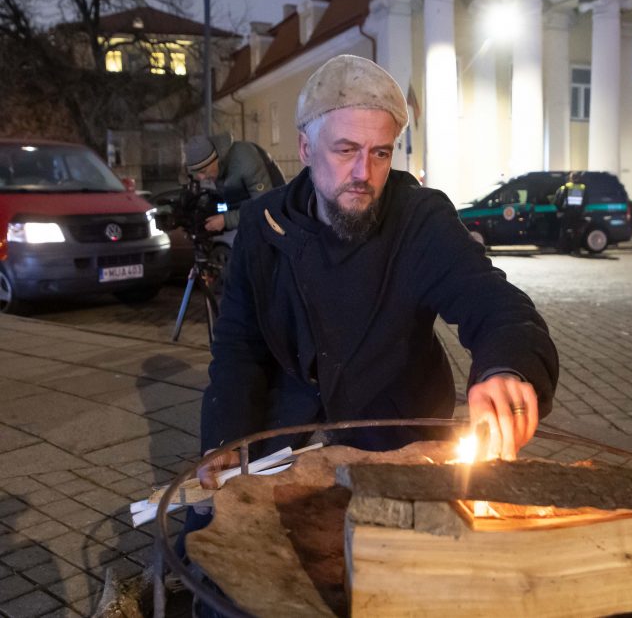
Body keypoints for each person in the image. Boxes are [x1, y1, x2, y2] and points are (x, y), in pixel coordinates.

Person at [196, 54, 558, 484]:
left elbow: (496, 305)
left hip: (397, 434)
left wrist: (507, 368)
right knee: (206, 536)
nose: (363, 173)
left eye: (380, 153)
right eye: (346, 149)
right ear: (306, 148)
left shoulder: (419, 219)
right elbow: (239, 345)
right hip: (287, 435)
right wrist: (225, 435)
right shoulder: (262, 224)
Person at [183, 132, 285, 232]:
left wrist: (226, 220)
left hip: (278, 218)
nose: (201, 178)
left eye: (203, 171)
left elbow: (265, 206)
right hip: (253, 221)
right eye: (197, 173)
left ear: (215, 159)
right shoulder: (217, 170)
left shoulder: (246, 161)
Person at [554, 171, 586, 253]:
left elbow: (559, 200)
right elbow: (586, 201)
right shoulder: (583, 187)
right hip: (578, 213)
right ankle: (576, 249)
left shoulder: (566, 187)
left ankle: (563, 249)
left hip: (567, 212)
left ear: (571, 178)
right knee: (576, 232)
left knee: (564, 231)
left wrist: (560, 210)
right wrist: (581, 210)